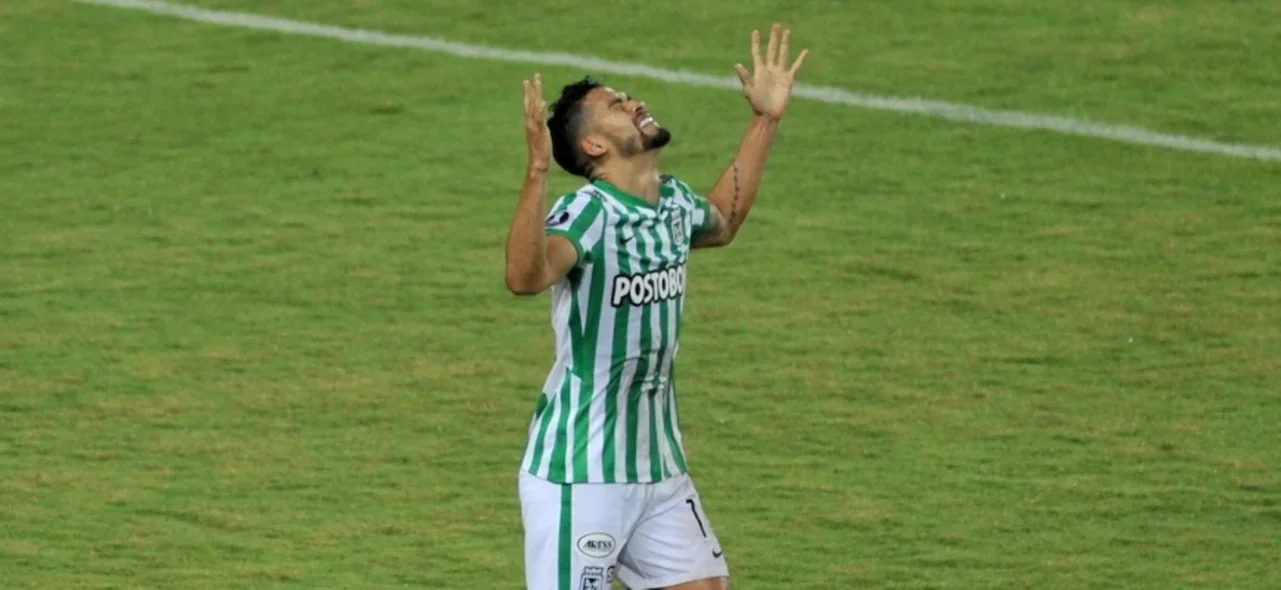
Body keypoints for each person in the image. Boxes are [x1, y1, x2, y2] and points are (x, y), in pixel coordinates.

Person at [504, 24, 808, 590]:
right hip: (581, 475)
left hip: (659, 470)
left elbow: (723, 220)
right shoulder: (588, 215)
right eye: (616, 106)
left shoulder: (671, 203)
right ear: (593, 146)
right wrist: (539, 171)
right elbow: (526, 276)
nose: (634, 102)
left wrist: (765, 120)